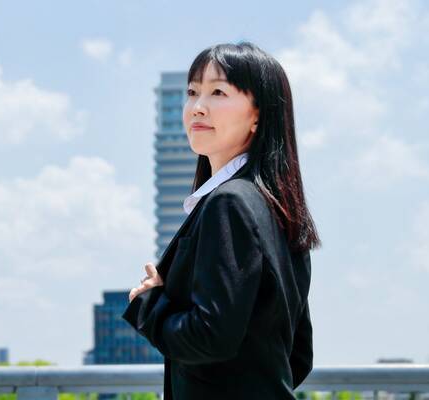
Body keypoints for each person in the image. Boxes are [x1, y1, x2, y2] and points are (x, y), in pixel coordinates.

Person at [122, 41, 321, 399]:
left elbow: (209, 337)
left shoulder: (229, 204)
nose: (197, 107)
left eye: (218, 92)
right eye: (192, 92)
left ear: (258, 114)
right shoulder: (280, 208)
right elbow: (298, 355)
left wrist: (150, 304)